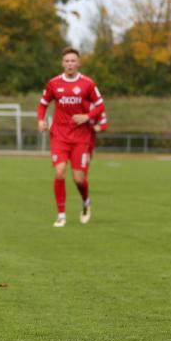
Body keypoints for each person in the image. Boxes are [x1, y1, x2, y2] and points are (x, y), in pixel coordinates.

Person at [37, 47, 106, 227]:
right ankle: (61, 215)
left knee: (78, 178)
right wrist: (40, 120)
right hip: (59, 135)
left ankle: (85, 202)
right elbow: (42, 105)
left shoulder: (87, 84)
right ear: (62, 63)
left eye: (73, 61)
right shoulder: (53, 83)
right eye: (67, 61)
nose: (70, 64)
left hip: (80, 136)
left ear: (78, 63)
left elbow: (100, 106)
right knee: (59, 172)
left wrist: (86, 117)